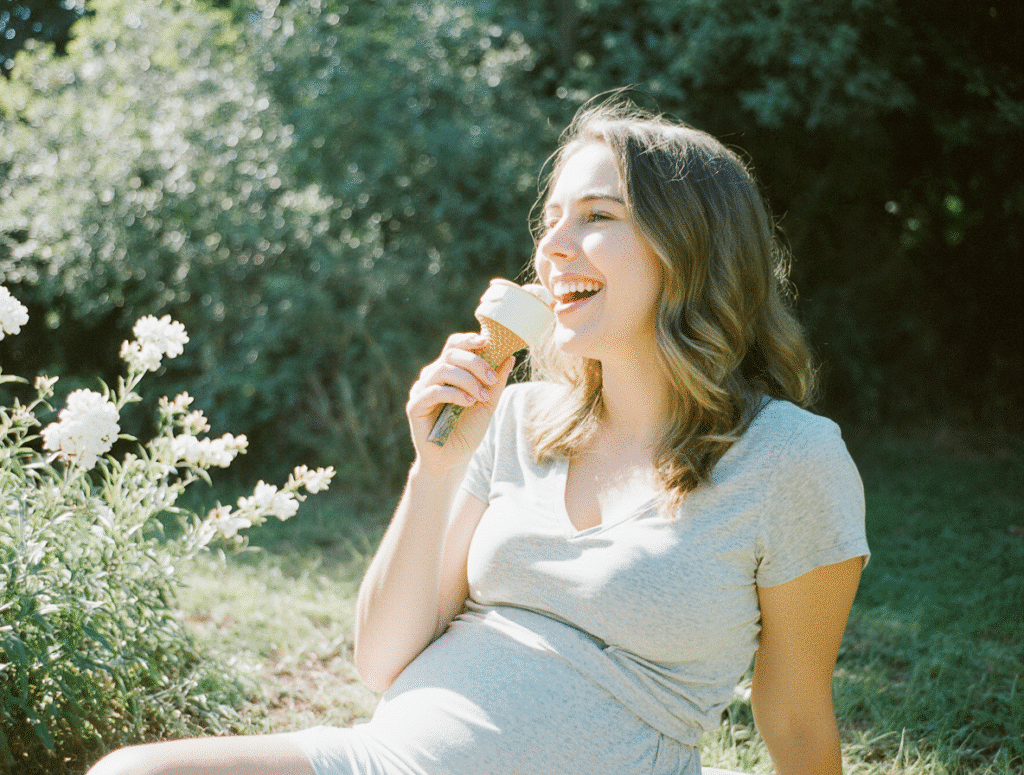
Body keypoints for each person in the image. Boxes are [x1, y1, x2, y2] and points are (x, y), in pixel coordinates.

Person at [87, 97, 869, 775]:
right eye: (552, 218)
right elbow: (380, 661)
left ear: (695, 251)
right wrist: (434, 471)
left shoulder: (788, 458)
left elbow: (797, 715)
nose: (553, 246)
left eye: (598, 217)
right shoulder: (520, 419)